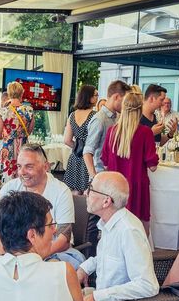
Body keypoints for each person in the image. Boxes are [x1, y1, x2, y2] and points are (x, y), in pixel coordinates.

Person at [77, 171, 159, 301]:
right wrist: (85, 268)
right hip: (104, 300)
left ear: (106, 201)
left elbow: (147, 286)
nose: (85, 193)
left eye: (91, 189)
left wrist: (96, 297)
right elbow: (109, 257)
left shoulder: (128, 231)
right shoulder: (109, 222)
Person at [0, 144, 84, 268]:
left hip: (52, 252)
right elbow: (0, 230)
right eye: (19, 166)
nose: (22, 172)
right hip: (15, 254)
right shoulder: (9, 188)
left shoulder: (61, 191)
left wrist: (32, 260)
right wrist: (4, 257)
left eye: (29, 167)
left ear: (46, 167)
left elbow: (64, 238)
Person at [101, 91, 159, 232]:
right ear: (140, 111)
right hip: (136, 187)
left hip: (115, 188)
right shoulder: (145, 132)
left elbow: (105, 162)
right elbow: (152, 166)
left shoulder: (112, 131)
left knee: (114, 226)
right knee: (139, 229)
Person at [82, 80, 131, 180]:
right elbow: (87, 152)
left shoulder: (118, 117)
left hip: (114, 175)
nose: (126, 104)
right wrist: (95, 178)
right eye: (125, 100)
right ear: (116, 97)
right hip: (102, 177)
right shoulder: (99, 119)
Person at [0, 81, 34, 182]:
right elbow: (29, 132)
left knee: (8, 179)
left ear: (9, 94)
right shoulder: (29, 111)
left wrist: (8, 135)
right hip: (23, 150)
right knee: (23, 178)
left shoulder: (2, 111)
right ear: (22, 93)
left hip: (8, 150)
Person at [63, 85, 97, 193]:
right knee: (89, 191)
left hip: (75, 156)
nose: (98, 97)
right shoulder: (95, 116)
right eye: (96, 95)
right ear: (89, 97)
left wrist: (78, 146)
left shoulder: (72, 115)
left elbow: (67, 140)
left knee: (75, 191)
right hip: (90, 157)